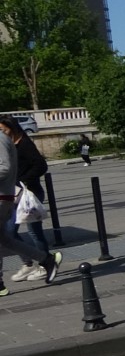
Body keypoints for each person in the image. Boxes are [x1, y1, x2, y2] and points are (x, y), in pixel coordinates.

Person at [0, 117, 61, 295]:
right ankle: (45, 260)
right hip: (9, 194)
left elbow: (5, 167)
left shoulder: (2, 139)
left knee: (30, 231)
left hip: (6, 195)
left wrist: (25, 180)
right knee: (6, 238)